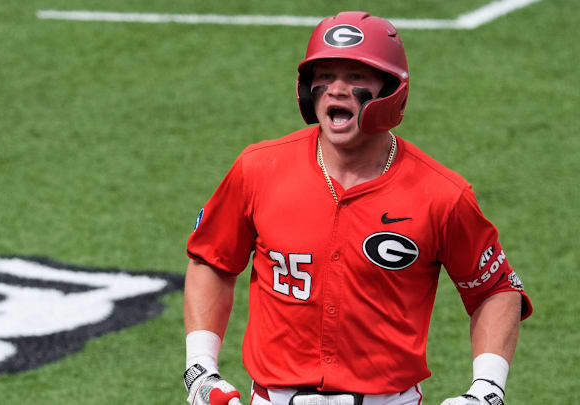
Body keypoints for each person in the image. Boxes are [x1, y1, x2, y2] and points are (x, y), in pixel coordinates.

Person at [182, 11, 532, 405]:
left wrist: (487, 387)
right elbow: (212, 260)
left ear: (391, 89)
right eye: (326, 76)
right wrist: (200, 368)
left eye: (355, 77)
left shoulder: (442, 194)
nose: (336, 89)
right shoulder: (258, 169)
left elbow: (495, 289)